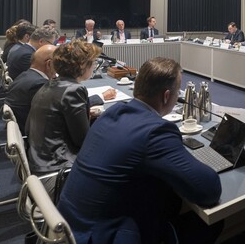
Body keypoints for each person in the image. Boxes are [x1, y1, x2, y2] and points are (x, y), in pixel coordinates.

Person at [57, 58, 222, 243]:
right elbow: (209, 190)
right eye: (178, 93)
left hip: (66, 224)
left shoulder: (113, 112)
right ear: (167, 96)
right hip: (103, 236)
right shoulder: (156, 131)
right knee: (210, 223)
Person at [26, 39, 102, 174]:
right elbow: (83, 141)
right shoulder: (74, 90)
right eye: (94, 62)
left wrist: (85, 115)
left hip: (38, 160)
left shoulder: (49, 84)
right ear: (83, 65)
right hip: (59, 168)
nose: (95, 66)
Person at [5, 45, 57, 132]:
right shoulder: (39, 85)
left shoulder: (25, 75)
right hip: (33, 133)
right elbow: (52, 118)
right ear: (48, 64)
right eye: (59, 63)